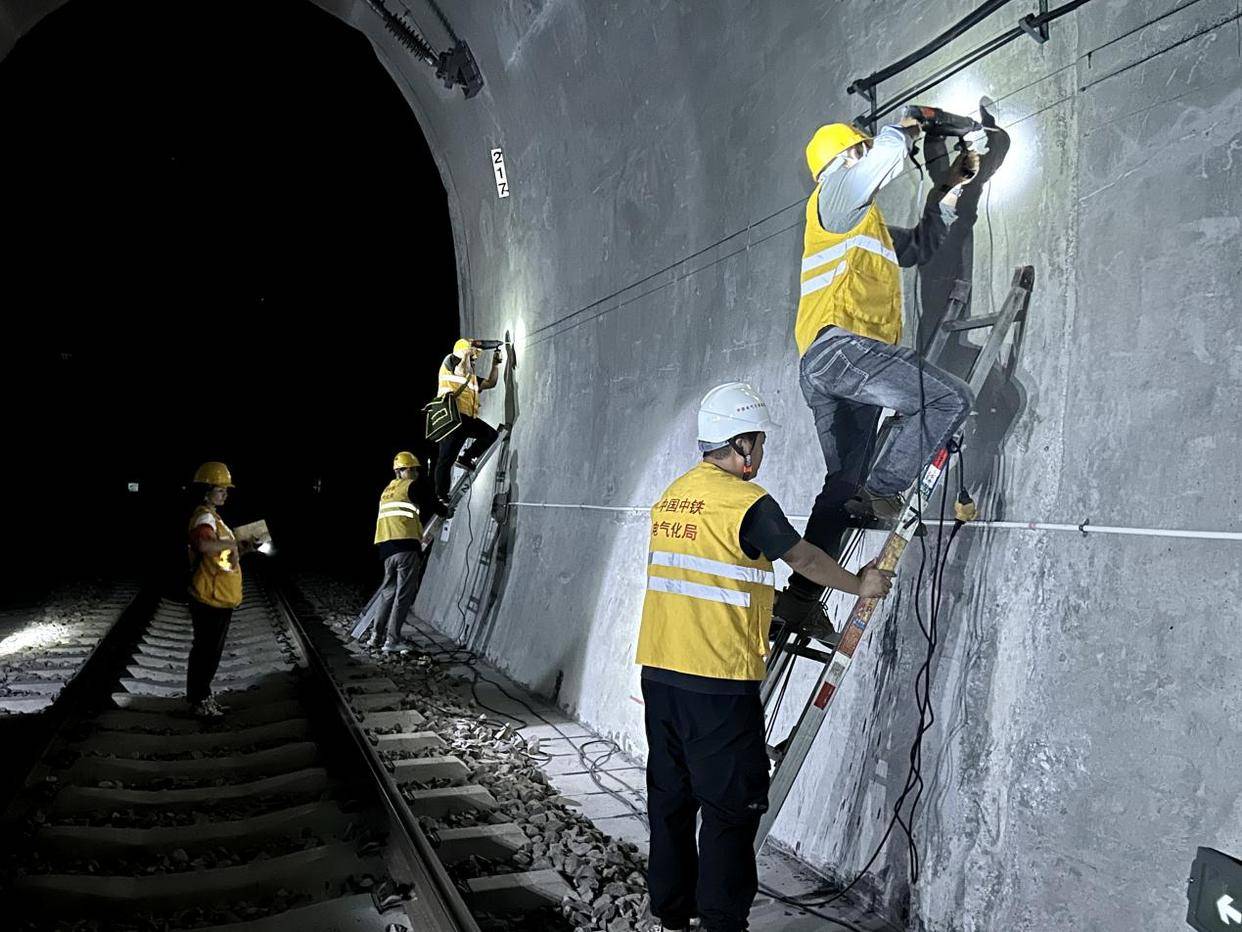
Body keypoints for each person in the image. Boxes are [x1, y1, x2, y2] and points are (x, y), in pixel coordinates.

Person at [635, 382, 893, 932]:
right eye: (760, 440)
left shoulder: (673, 497)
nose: (762, 451)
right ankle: (724, 924)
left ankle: (672, 919)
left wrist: (764, 602)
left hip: (660, 674)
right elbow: (803, 558)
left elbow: (704, 576)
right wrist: (859, 584)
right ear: (743, 443)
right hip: (717, 681)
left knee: (671, 802)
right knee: (731, 810)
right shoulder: (746, 502)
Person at [779, 115, 980, 634]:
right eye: (859, 151)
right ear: (848, 157)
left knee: (842, 484)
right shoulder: (835, 193)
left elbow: (918, 247)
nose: (865, 157)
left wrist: (949, 190)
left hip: (825, 366)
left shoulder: (860, 225)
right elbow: (885, 157)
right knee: (947, 400)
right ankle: (886, 489)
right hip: (843, 350)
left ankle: (800, 596)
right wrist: (906, 126)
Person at [185, 461, 255, 718]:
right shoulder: (205, 517)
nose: (225, 494)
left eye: (226, 490)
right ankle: (199, 702)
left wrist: (240, 548)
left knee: (208, 651)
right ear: (206, 491)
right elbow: (204, 546)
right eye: (220, 489)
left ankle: (203, 698)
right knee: (206, 651)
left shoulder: (214, 518)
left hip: (217, 595)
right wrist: (233, 542)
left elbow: (219, 554)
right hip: (209, 596)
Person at [362, 451, 426, 654]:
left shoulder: (387, 490)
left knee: (388, 593)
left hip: (387, 549)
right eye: (412, 469)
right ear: (401, 471)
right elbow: (432, 503)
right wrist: (444, 510)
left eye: (416, 470)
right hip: (406, 547)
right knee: (404, 595)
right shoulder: (410, 487)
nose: (415, 473)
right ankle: (392, 640)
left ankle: (376, 637)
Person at [434, 338, 503, 504]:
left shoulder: (470, 377)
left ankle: (466, 458)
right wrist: (466, 354)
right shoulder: (449, 361)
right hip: (451, 419)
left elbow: (490, 383)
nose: (474, 361)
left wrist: (495, 364)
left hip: (464, 421)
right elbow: (460, 371)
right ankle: (441, 496)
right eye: (473, 358)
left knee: (489, 435)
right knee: (445, 460)